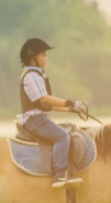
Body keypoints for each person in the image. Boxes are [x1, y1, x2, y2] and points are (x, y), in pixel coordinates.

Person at [17, 38, 87, 188]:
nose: (46, 59)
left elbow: (49, 105)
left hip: (40, 118)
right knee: (62, 136)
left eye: (46, 55)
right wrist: (70, 102)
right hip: (34, 119)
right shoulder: (31, 76)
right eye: (43, 55)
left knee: (70, 128)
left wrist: (72, 109)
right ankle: (59, 175)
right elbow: (43, 98)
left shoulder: (38, 76)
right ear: (32, 58)